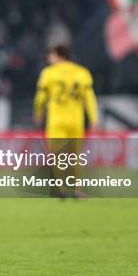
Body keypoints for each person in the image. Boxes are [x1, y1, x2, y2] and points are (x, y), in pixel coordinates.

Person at [33, 44, 98, 197]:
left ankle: (61, 188)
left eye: (51, 55)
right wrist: (94, 118)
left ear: (60, 55)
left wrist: (38, 112)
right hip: (76, 119)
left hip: (57, 119)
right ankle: (76, 189)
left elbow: (41, 97)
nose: (49, 59)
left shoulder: (49, 73)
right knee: (75, 156)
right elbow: (89, 98)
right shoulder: (82, 73)